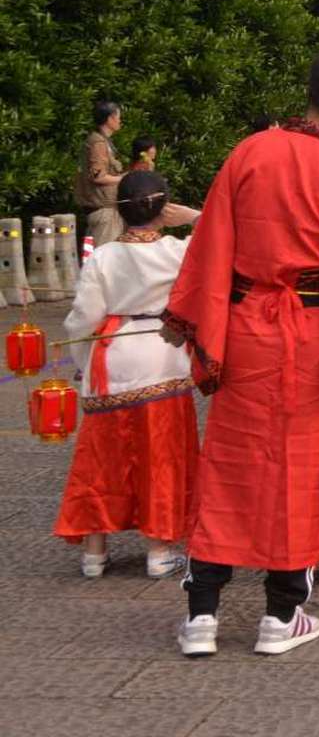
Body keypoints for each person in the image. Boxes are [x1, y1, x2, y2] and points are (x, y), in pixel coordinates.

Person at [162, 50, 319, 657]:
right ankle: (280, 615)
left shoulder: (250, 152)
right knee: (301, 475)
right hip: (315, 337)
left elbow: (212, 239)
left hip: (245, 330)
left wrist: (193, 320)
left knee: (229, 468)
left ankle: (201, 616)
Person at [55, 170, 197, 580]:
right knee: (162, 454)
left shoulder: (103, 256)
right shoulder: (178, 251)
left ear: (119, 209)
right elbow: (223, 233)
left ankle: (94, 553)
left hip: (112, 355)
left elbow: (82, 318)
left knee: (102, 456)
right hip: (163, 353)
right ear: (162, 208)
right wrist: (190, 215)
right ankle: (159, 550)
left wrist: (85, 362)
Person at [76, 100, 127, 245]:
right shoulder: (98, 143)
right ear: (110, 118)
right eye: (118, 116)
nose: (120, 120)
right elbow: (98, 177)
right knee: (104, 261)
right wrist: (123, 179)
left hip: (106, 210)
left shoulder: (103, 141)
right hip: (103, 211)